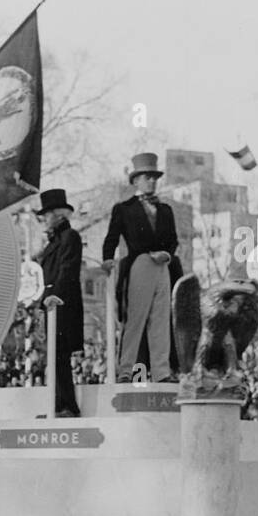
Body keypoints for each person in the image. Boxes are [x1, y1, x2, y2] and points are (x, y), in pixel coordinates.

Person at [102, 152, 179, 383]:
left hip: (162, 264)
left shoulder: (166, 209)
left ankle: (162, 371)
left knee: (161, 319)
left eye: (154, 177)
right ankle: (125, 370)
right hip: (140, 263)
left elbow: (173, 239)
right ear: (135, 180)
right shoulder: (124, 208)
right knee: (135, 319)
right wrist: (107, 259)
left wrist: (167, 253)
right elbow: (111, 237)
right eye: (147, 177)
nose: (152, 182)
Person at [33, 188, 84, 417]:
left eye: (46, 215)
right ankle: (57, 406)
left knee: (59, 357)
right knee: (53, 358)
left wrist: (53, 296)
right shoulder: (53, 242)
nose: (43, 220)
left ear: (58, 215)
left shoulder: (70, 237)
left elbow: (67, 272)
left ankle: (68, 407)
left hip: (62, 306)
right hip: (51, 306)